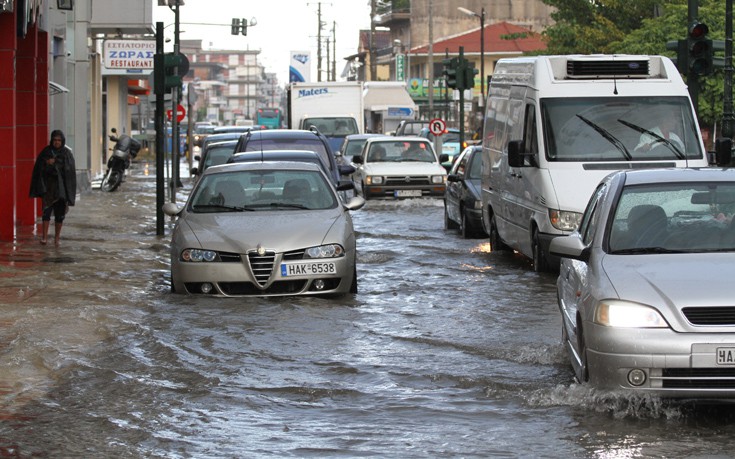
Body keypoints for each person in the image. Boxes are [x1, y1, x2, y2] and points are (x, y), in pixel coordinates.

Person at [29, 130, 77, 246]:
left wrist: (56, 163)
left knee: (60, 215)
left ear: (62, 141)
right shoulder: (46, 152)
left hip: (61, 190)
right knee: (46, 212)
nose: (56, 142)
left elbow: (69, 170)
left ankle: (57, 239)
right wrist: (47, 164)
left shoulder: (66, 154)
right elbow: (39, 168)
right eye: (55, 140)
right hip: (49, 188)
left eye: (59, 140)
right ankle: (44, 237)